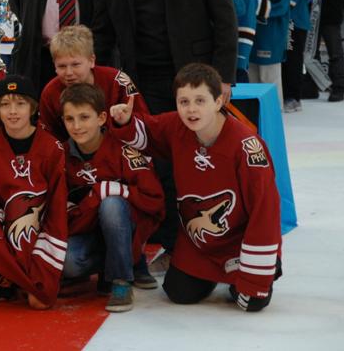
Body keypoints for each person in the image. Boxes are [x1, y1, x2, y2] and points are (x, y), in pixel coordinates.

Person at [93, 0, 237, 271]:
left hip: (195, 82)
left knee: (200, 163)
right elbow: (102, 34)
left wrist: (223, 78)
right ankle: (172, 244)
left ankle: (213, 243)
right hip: (141, 83)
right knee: (159, 165)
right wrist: (101, 84)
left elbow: (224, 18)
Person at [110, 63, 282, 312]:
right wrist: (125, 120)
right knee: (178, 293)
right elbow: (149, 131)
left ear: (219, 101)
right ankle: (214, 274)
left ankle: (253, 270)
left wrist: (254, 278)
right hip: (200, 246)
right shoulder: (177, 126)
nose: (191, 109)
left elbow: (265, 211)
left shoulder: (246, 147)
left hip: (238, 243)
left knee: (251, 302)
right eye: (184, 102)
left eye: (200, 101)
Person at [0, 75, 67, 309]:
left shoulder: (52, 148)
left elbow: (57, 205)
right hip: (3, 227)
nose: (12, 111)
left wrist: (47, 247)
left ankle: (19, 273)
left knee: (40, 301)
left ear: (33, 108)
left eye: (20, 104)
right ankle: (10, 273)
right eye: (5, 104)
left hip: (40, 229)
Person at [60, 83, 164, 312]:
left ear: (101, 118)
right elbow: (58, 205)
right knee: (68, 262)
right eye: (70, 119)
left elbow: (155, 200)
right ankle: (113, 265)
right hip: (88, 231)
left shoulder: (124, 150)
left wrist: (116, 192)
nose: (77, 126)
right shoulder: (61, 156)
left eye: (84, 117)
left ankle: (121, 280)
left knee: (112, 205)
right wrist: (94, 198)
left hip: (126, 230)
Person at [38, 25, 148, 143]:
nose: (69, 73)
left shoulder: (118, 82)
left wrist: (126, 122)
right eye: (62, 66)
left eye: (75, 65)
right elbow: (48, 139)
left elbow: (146, 127)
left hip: (120, 148)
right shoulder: (49, 93)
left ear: (92, 60)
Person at [248, 0, 290, 103]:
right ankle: (255, 114)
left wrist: (254, 3)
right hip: (254, 33)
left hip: (271, 35)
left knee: (269, 78)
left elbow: (281, 5)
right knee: (253, 78)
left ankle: (274, 112)